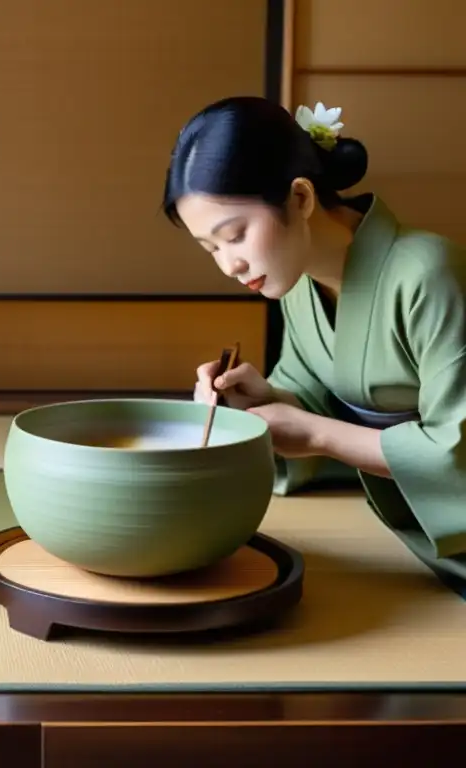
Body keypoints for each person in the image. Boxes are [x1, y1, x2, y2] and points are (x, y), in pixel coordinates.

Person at [161, 95, 466, 579]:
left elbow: (456, 449)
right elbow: (314, 399)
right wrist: (261, 403)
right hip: (414, 534)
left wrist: (317, 435)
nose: (229, 264)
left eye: (236, 234)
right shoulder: (298, 285)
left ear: (300, 198)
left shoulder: (429, 274)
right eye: (210, 247)